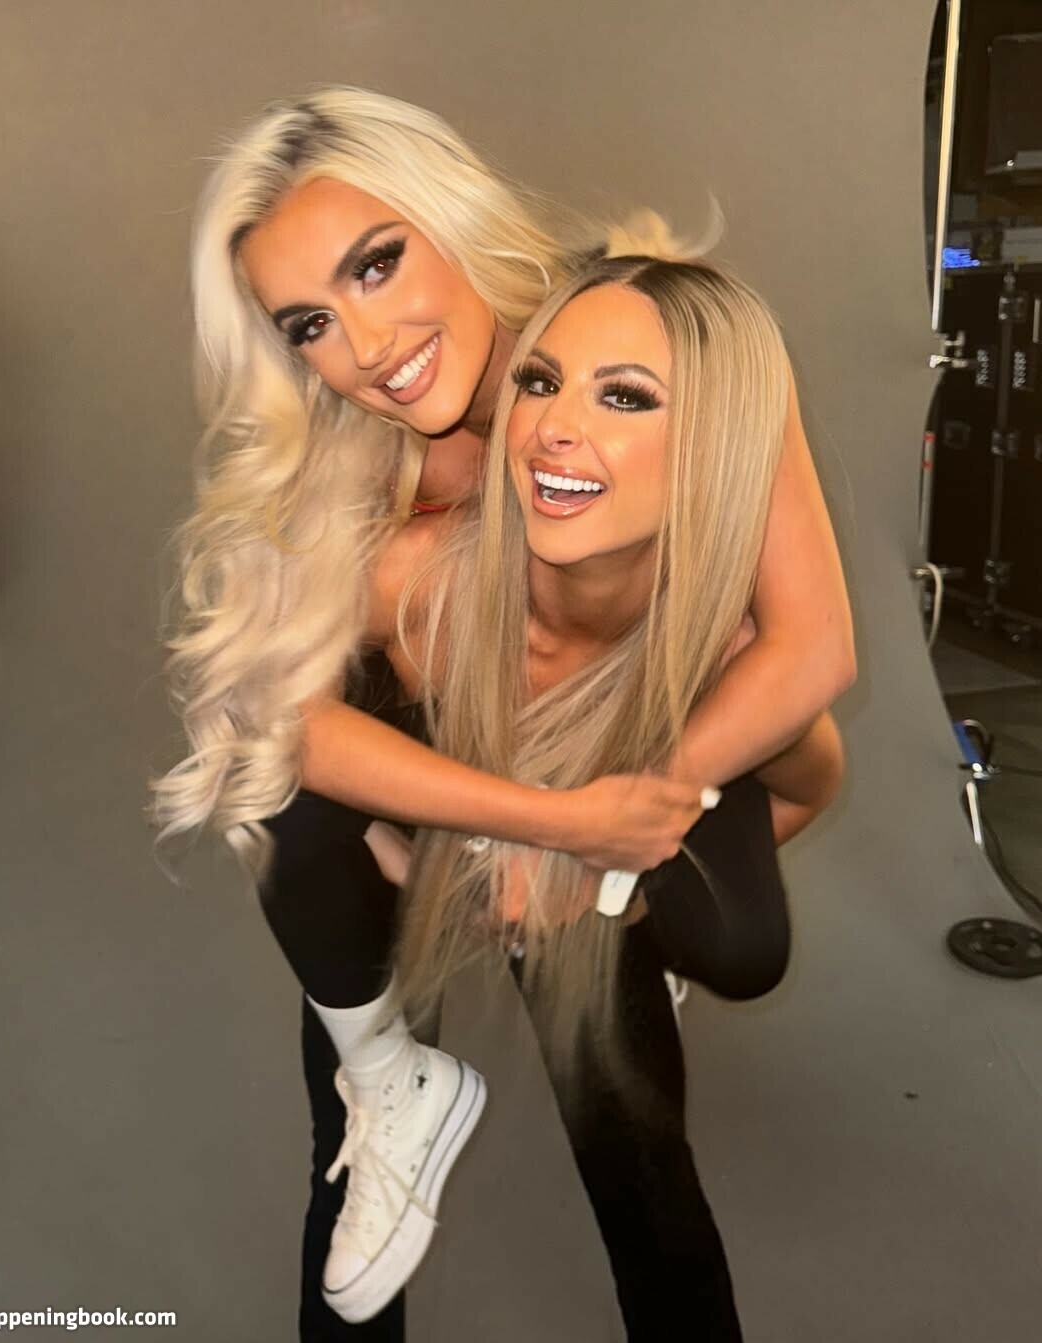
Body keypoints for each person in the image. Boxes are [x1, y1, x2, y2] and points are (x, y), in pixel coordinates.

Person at [151, 89, 855, 1339]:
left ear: (449, 216)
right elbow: (280, 726)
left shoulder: (654, 329)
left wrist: (605, 825)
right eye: (311, 323)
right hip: (440, 769)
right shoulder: (356, 478)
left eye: (377, 263)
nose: (366, 347)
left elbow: (811, 651)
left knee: (635, 1136)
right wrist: (514, 822)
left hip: (614, 742)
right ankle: (393, 1082)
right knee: (357, 1117)